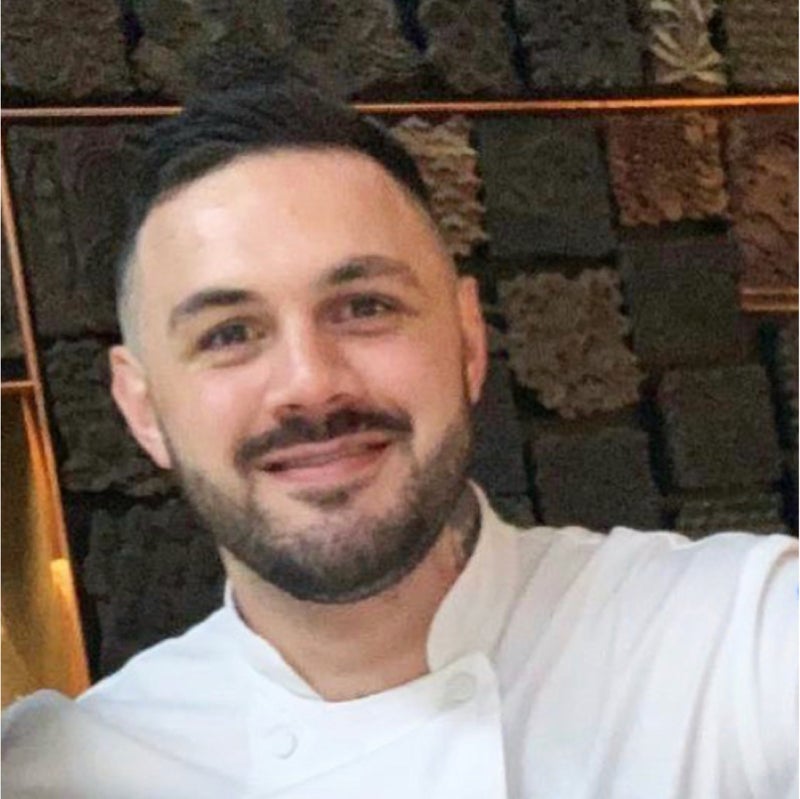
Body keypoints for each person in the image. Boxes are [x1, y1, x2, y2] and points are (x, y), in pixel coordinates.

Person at [2, 80, 797, 799]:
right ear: (142, 407)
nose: (312, 383)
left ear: (468, 340)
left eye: (365, 307)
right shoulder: (70, 773)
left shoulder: (734, 644)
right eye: (230, 333)